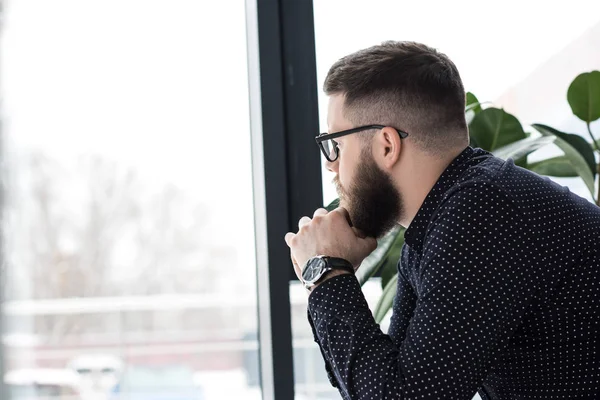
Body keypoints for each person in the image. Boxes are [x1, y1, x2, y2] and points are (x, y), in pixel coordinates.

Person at [284, 41, 600, 400]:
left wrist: (325, 271)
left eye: (335, 144)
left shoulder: (481, 212)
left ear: (386, 145)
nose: (331, 164)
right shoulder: (441, 223)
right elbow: (388, 383)